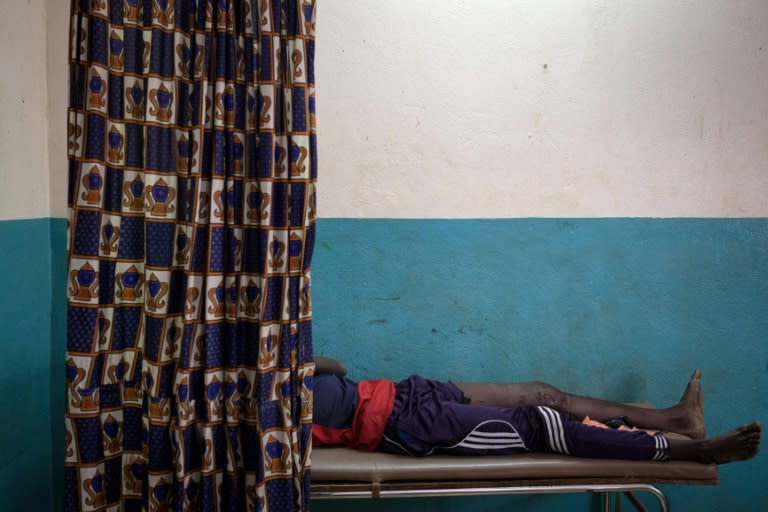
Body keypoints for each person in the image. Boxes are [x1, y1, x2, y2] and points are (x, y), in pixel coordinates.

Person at [311, 356, 761, 465]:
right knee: (542, 425)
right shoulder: (258, 415)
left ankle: (674, 420)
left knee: (541, 393)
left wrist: (291, 363)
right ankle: (681, 452)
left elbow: (338, 368)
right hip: (404, 424)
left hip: (408, 391)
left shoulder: (273, 356)